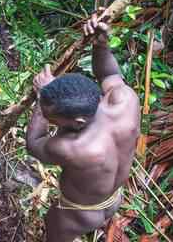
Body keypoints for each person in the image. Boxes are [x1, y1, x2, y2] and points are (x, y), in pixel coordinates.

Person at [26, 13, 141, 242]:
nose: (51, 122)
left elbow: (33, 144)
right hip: (112, 198)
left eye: (53, 120)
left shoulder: (75, 148)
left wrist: (41, 100)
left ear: (78, 122)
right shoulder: (125, 100)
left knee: (53, 230)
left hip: (80, 213)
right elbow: (109, 73)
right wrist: (101, 45)